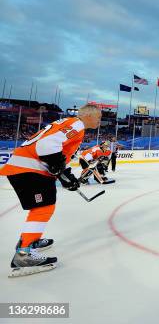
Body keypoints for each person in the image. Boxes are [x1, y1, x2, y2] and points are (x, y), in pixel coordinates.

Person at [0, 104, 101, 277]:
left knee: (44, 205)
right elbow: (47, 146)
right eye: (98, 116)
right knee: (43, 207)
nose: (100, 120)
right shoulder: (76, 124)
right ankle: (24, 254)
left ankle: (30, 240)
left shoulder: (69, 124)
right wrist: (58, 168)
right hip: (29, 169)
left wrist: (64, 174)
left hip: (28, 168)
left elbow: (56, 154)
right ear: (88, 116)